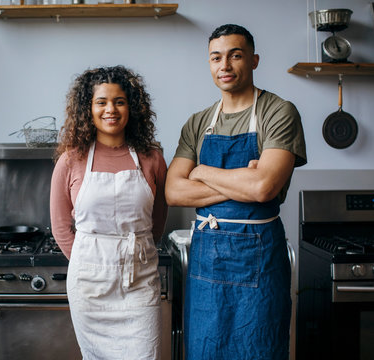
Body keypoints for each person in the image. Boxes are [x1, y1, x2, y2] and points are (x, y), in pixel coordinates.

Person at [165, 24, 307, 359]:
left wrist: (201, 173)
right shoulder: (198, 123)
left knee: (259, 347)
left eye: (235, 55)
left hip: (260, 266)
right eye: (216, 57)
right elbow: (173, 191)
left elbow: (263, 187)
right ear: (210, 64)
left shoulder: (278, 112)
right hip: (206, 267)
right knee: (204, 350)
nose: (225, 65)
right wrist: (240, 180)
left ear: (254, 60)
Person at [50, 65, 168, 359]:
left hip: (140, 278)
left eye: (119, 101)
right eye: (101, 102)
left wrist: (134, 249)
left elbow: (158, 219)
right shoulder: (70, 160)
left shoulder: (152, 158)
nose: (110, 109)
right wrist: (90, 261)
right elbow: (61, 226)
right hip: (89, 286)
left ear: (132, 107)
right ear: (87, 109)